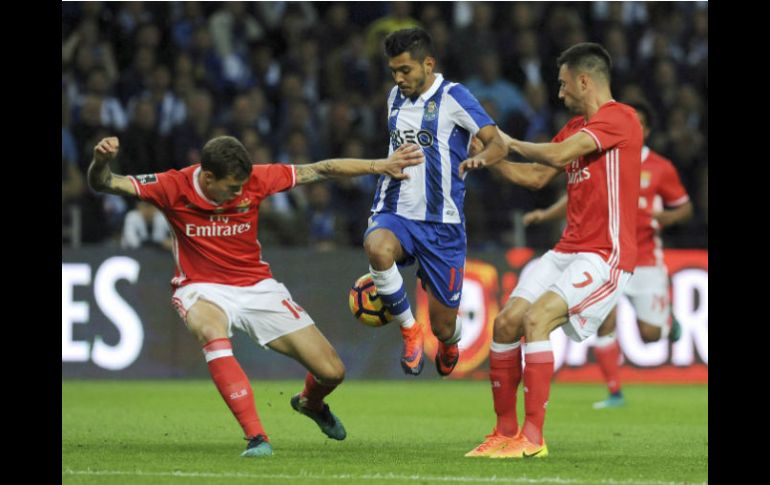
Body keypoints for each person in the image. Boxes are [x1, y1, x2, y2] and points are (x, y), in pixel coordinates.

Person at [87, 135, 424, 457]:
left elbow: (321, 169)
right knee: (210, 330)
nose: (239, 192)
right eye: (232, 187)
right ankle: (256, 436)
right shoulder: (171, 186)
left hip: (257, 286)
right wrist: (100, 162)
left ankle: (310, 403)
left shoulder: (256, 180)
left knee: (332, 372)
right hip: (200, 286)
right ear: (207, 177)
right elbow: (105, 183)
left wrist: (379, 164)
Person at [461, 42, 643, 458]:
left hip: (605, 255)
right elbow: (536, 179)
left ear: (584, 80)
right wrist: (491, 160)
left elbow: (558, 154)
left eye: (562, 85)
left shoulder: (620, 118)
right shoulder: (575, 128)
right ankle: (503, 433)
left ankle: (533, 438)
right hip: (567, 249)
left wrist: (505, 141)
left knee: (537, 318)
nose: (559, 94)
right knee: (506, 322)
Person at [522, 99, 693, 410]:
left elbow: (685, 206)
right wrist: (546, 214)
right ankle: (615, 392)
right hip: (607, 253)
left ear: (648, 130)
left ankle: (667, 322)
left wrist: (665, 218)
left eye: (639, 124)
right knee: (605, 320)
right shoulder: (604, 156)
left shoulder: (660, 167)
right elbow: (576, 196)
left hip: (644, 261)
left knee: (650, 334)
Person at [363, 27, 506, 377]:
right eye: (393, 71)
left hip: (442, 225)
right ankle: (410, 331)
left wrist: (480, 159)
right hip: (396, 210)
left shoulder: (455, 97)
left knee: (444, 325)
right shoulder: (393, 98)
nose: (398, 78)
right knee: (377, 248)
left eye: (405, 70)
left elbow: (498, 143)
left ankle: (448, 340)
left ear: (428, 64)